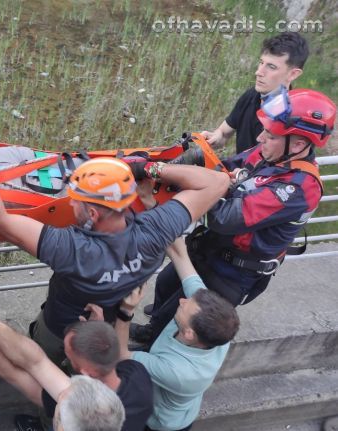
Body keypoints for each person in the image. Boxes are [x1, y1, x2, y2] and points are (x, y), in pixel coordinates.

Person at [0, 125, 230, 368]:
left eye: (75, 200)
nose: (72, 202)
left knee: (45, 364)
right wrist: (150, 167)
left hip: (58, 328)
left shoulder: (72, 250)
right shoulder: (154, 230)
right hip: (108, 325)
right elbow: (216, 182)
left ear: (92, 215)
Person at [135, 88, 335, 345]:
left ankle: (155, 346)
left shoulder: (299, 187)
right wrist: (188, 163)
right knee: (165, 283)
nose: (260, 137)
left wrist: (176, 179)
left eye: (271, 134)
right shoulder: (269, 152)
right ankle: (153, 330)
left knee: (181, 317)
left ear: (298, 144)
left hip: (234, 271)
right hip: (210, 248)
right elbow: (225, 169)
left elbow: (225, 218)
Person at [0, 268, 152, 431]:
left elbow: (10, 369)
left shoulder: (71, 407)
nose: (62, 392)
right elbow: (38, 362)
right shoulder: (137, 380)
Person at [115, 237, 240, 431]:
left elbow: (121, 356)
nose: (181, 301)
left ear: (189, 334)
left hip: (162, 424)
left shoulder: (179, 372)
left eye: (184, 307)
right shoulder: (216, 325)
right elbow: (181, 258)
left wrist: (126, 311)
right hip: (182, 406)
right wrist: (167, 229)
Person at [201, 32, 308, 154]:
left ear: (293, 74)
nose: (259, 72)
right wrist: (214, 137)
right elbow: (224, 133)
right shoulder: (252, 95)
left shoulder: (291, 118)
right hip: (239, 171)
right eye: (261, 62)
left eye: (271, 67)